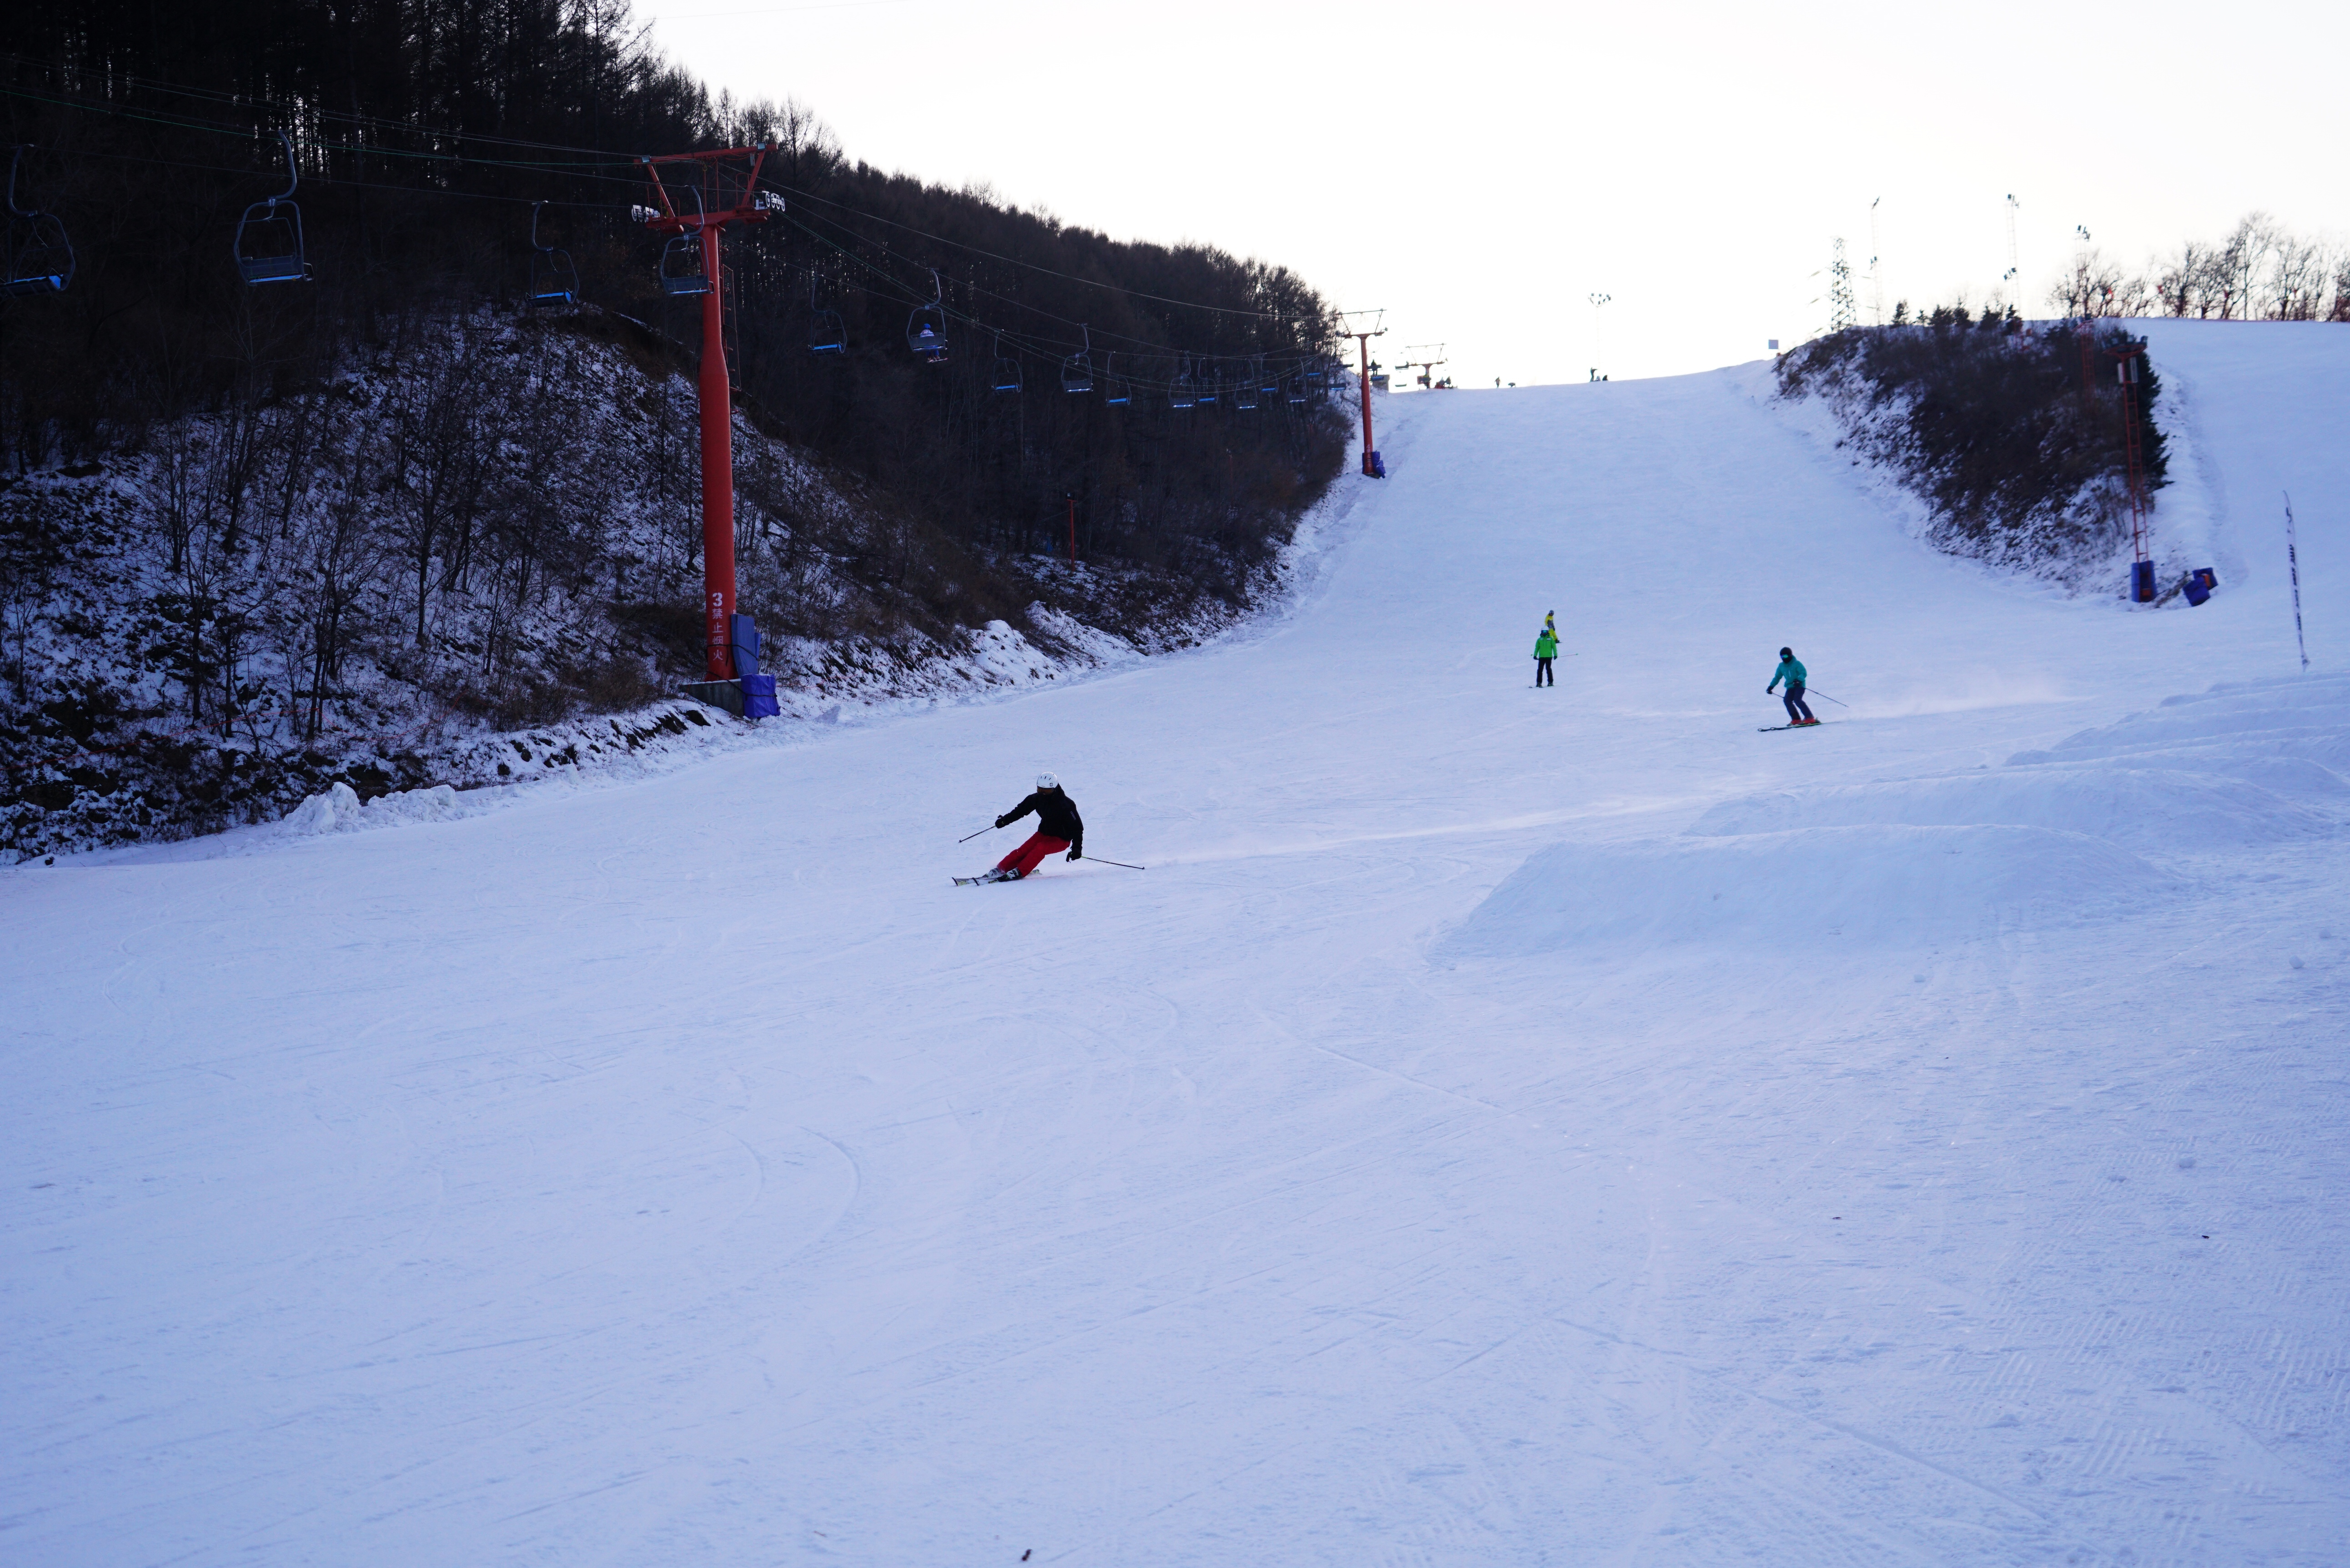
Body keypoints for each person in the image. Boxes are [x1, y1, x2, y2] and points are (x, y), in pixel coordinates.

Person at [982, 773, 1085, 881]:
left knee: (1040, 849)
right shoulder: (1036, 799)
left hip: (1062, 839)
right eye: (1040, 790)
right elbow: (1020, 811)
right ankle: (1000, 869)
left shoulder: (1066, 805)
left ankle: (1020, 871)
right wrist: (1005, 821)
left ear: (1054, 789)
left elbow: (1077, 828)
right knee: (1023, 851)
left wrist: (1077, 848)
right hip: (1043, 833)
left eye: (1047, 790)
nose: (1043, 793)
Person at [1768, 647, 1817, 725]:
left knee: (1797, 700)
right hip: (1790, 687)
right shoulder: (1781, 666)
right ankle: (1796, 719)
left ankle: (1810, 718)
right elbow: (1777, 677)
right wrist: (1771, 686)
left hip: (1799, 686)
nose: (1784, 658)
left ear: (1790, 656)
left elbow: (1803, 673)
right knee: (1787, 701)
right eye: (1782, 657)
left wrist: (1799, 680)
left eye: (1786, 656)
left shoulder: (1797, 663)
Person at [1533, 618, 1559, 687]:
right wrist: (1535, 655)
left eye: (1545, 632)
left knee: (1548, 669)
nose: (1544, 633)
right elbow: (1537, 648)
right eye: (1543, 632)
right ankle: (1539, 682)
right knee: (1540, 670)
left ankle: (1550, 682)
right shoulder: (1539, 640)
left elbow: (1554, 648)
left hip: (1549, 657)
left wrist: (1555, 655)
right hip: (1542, 657)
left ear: (1548, 632)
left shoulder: (1551, 639)